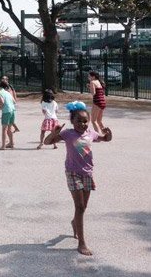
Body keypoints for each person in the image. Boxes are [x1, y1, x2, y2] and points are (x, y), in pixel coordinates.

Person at [44, 101, 112, 256]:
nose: (83, 123)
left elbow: (104, 139)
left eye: (85, 120)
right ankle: (81, 243)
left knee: (83, 207)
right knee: (80, 207)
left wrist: (108, 134)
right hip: (72, 172)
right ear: (72, 121)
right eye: (79, 121)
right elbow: (47, 142)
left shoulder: (90, 133)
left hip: (87, 172)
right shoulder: (68, 134)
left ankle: (75, 222)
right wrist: (54, 133)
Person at [0, 82, 16, 150]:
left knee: (4, 129)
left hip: (6, 111)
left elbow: (2, 102)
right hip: (12, 110)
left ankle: (3, 146)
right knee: (9, 128)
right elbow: (14, 101)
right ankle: (11, 143)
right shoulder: (8, 92)